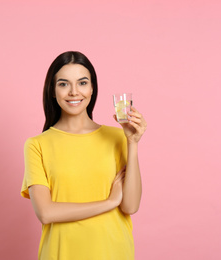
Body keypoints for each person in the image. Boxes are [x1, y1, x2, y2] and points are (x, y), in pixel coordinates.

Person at [21, 51, 147, 260]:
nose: (73, 92)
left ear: (91, 89)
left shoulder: (117, 136)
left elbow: (131, 205)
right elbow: (46, 213)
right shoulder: (37, 145)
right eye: (63, 84)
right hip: (62, 253)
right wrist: (108, 202)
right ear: (52, 91)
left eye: (82, 83)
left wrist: (132, 142)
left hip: (112, 252)